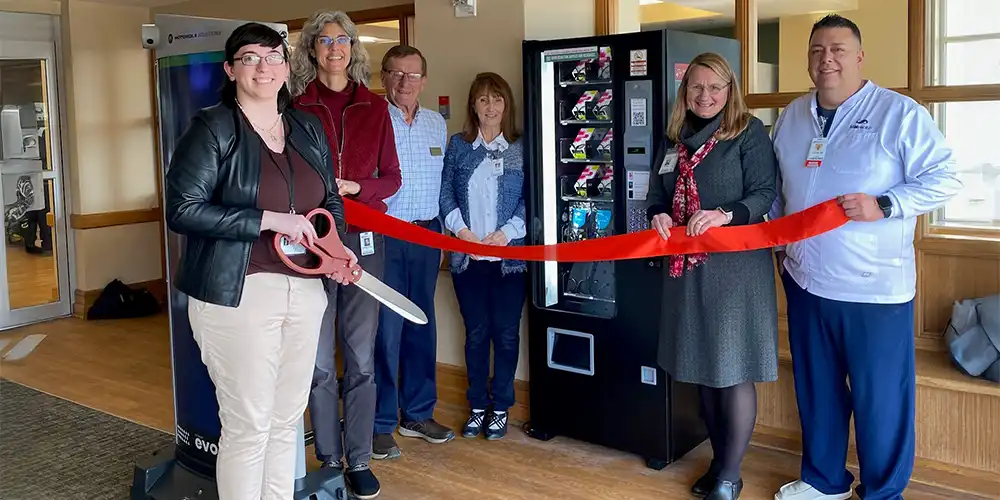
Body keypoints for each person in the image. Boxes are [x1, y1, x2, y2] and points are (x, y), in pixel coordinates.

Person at [769, 14, 961, 500]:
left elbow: (945, 178)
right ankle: (824, 481)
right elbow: (778, 188)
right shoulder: (792, 117)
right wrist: (776, 239)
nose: (826, 59)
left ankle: (883, 492)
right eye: (817, 50)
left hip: (874, 289)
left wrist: (886, 204)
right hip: (805, 281)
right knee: (817, 391)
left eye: (837, 50)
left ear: (859, 57)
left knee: (881, 400)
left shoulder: (899, 113)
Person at [163, 22, 357, 500]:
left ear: (287, 68)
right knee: (249, 425)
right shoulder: (212, 128)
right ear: (231, 70)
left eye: (273, 57)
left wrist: (335, 247)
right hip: (238, 292)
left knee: (286, 420)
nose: (263, 68)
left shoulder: (306, 127)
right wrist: (268, 220)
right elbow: (183, 210)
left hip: (304, 290)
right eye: (249, 58)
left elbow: (330, 199)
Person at [646, 52, 779, 500]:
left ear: (730, 91)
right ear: (685, 91)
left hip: (735, 271)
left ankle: (730, 474)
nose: (705, 95)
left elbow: (764, 194)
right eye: (697, 87)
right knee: (701, 367)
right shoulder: (673, 139)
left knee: (732, 368)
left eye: (715, 87)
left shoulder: (748, 132)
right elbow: (656, 194)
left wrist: (725, 214)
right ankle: (719, 462)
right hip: (685, 271)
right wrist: (658, 214)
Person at [289, 9, 401, 498]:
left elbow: (392, 179)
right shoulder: (295, 107)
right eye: (325, 40)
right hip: (310, 242)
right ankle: (329, 458)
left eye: (343, 40)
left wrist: (358, 188)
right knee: (316, 360)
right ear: (312, 50)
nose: (335, 48)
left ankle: (358, 458)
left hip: (363, 243)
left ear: (353, 49)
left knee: (360, 355)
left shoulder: (375, 108)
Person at [372, 44, 455, 460]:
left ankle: (418, 414)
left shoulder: (436, 125)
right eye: (397, 73)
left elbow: (443, 186)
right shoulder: (373, 119)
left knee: (422, 323)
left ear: (424, 80)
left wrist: (444, 238)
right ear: (384, 77)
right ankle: (379, 422)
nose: (405, 82)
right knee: (385, 329)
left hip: (426, 236)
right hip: (385, 237)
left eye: (414, 75)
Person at [440, 72, 527, 441]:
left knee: (505, 335)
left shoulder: (521, 147)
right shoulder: (459, 146)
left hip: (511, 263)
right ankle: (477, 405)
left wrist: (506, 233)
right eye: (483, 99)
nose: (490, 107)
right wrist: (463, 233)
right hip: (468, 261)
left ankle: (501, 407)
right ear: (472, 105)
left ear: (507, 105)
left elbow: (532, 199)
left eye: (497, 99)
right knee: (476, 334)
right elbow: (445, 194)